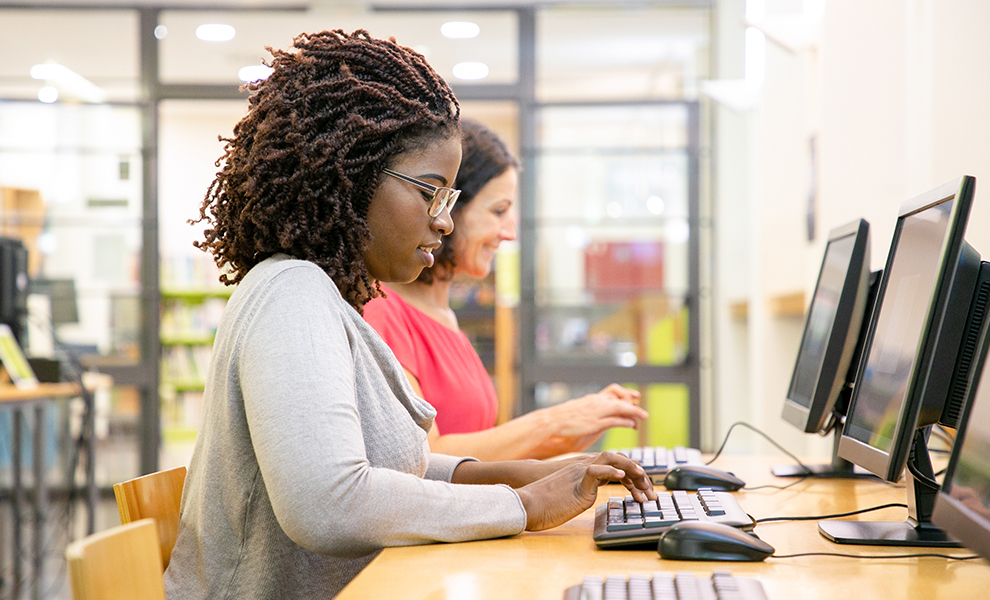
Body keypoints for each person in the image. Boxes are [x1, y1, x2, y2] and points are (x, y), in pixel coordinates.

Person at [163, 30, 655, 599]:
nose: (443, 223)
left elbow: (397, 473)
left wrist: (536, 475)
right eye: (430, 193)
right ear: (348, 176)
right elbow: (328, 503)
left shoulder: (331, 300)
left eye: (448, 200)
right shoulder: (291, 293)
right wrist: (518, 506)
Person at [363, 119, 648, 461]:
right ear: (448, 208)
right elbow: (425, 457)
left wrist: (572, 435)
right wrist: (554, 425)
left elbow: (479, 456)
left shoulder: (445, 317)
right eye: (498, 211)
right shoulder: (381, 311)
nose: (510, 232)